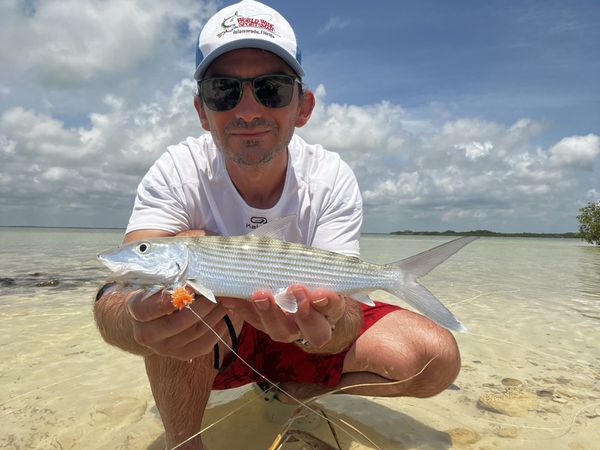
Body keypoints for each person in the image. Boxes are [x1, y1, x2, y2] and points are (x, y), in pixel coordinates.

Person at [94, 1, 461, 448]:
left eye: (271, 88)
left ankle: (297, 393)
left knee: (435, 358)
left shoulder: (330, 176)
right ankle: (185, 443)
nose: (248, 110)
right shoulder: (177, 170)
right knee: (178, 299)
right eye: (224, 91)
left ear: (302, 107)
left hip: (303, 334)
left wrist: (325, 323)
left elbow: (345, 315)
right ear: (201, 111)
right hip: (220, 342)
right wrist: (138, 322)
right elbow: (117, 293)